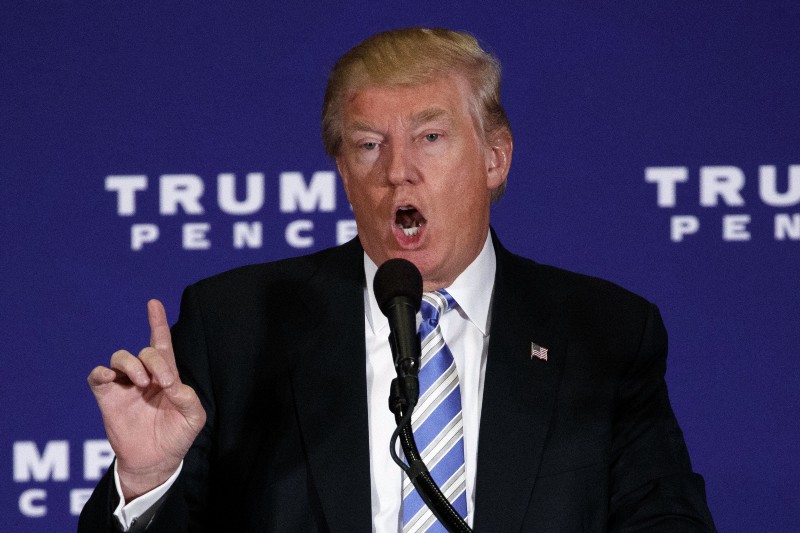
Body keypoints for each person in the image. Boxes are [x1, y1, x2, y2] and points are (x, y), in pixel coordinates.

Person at [79, 28, 716, 532]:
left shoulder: (604, 334)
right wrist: (146, 483)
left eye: (430, 137)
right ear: (342, 173)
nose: (398, 172)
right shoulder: (236, 325)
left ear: (495, 158)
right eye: (368, 146)